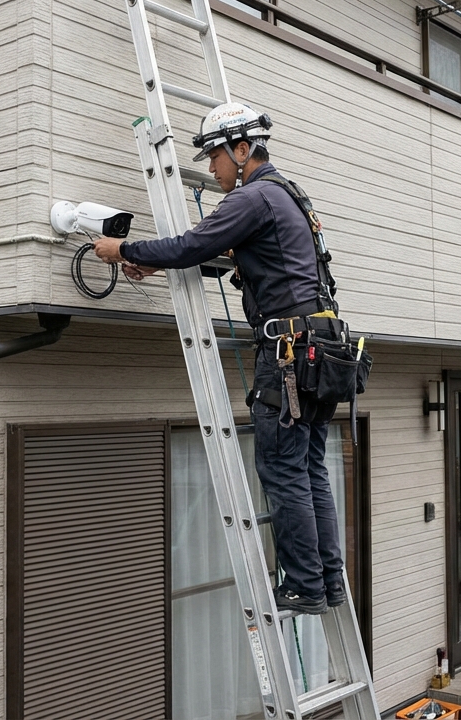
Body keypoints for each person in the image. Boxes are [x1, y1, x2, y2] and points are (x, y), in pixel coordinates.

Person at [92, 102, 344, 615]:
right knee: (309, 468)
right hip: (322, 348)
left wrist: (122, 251)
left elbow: (192, 244)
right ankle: (327, 581)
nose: (211, 168)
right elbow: (222, 256)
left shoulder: (252, 198)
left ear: (242, 149)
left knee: (282, 468)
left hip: (290, 352)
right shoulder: (289, 196)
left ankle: (303, 586)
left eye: (215, 156)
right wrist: (152, 264)